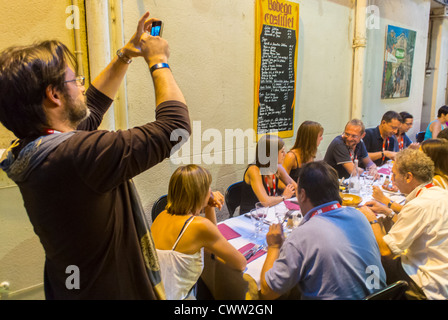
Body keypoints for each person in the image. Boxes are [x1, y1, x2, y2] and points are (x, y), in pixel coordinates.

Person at [0, 12, 191, 299]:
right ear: (54, 95)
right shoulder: (75, 156)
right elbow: (175, 128)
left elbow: (95, 106)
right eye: (75, 80)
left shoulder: (33, 149)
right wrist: (159, 61)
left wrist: (124, 56)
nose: (81, 86)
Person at [260, 161, 386, 300]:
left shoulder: (301, 236)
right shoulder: (359, 216)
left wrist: (274, 246)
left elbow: (268, 292)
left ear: (302, 195)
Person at [360, 149, 448, 300]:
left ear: (408, 177)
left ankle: (373, 295)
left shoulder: (419, 205)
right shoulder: (439, 192)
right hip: (442, 274)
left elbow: (386, 251)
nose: (392, 179)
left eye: (394, 175)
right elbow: (417, 225)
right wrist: (387, 211)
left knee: (369, 257)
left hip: (425, 283)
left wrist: (372, 220)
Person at [151, 165, 246, 300]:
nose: (211, 191)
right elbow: (240, 263)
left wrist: (208, 206)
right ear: (199, 193)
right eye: (209, 187)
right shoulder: (199, 226)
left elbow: (211, 243)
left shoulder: (161, 215)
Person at [239, 134, 297, 214]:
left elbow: (296, 188)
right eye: (282, 151)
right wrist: (284, 197)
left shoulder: (277, 167)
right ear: (270, 155)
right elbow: (265, 202)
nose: (285, 154)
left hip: (269, 212)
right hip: (251, 216)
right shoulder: (254, 170)